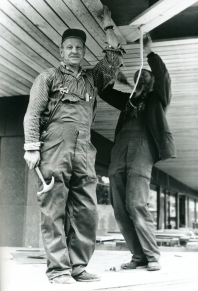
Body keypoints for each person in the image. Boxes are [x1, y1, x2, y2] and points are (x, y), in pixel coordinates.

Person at [23, 6, 125, 284]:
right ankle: (58, 271)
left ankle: (78, 267)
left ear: (83, 51)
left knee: (86, 209)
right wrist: (31, 147)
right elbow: (33, 113)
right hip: (55, 146)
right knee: (54, 209)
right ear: (61, 51)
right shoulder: (48, 78)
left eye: (79, 47)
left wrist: (108, 25)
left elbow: (113, 59)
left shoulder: (93, 79)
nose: (74, 51)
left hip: (84, 149)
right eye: (69, 47)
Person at [99, 34, 176, 271]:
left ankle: (152, 256)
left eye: (146, 77)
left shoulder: (157, 99)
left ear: (151, 83)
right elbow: (103, 90)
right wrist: (112, 66)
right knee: (120, 208)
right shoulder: (128, 101)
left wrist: (150, 52)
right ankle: (138, 256)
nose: (141, 79)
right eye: (137, 77)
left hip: (142, 151)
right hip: (119, 151)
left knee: (136, 203)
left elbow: (163, 78)